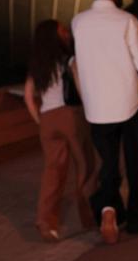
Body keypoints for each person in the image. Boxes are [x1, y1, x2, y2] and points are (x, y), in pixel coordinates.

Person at [72, 0, 138, 244]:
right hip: (129, 102)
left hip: (97, 108)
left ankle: (108, 210)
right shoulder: (126, 20)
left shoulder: (78, 22)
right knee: (134, 163)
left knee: (108, 164)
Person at [23, 19, 96, 241]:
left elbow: (28, 96)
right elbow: (81, 89)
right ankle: (90, 217)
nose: (67, 34)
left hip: (47, 119)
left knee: (53, 171)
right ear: (55, 37)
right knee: (85, 166)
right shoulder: (69, 60)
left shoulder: (37, 66)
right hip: (71, 115)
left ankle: (46, 222)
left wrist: (40, 120)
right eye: (63, 31)